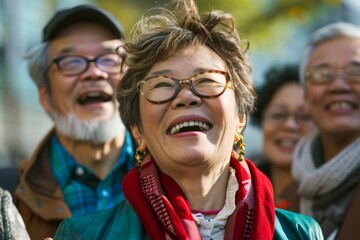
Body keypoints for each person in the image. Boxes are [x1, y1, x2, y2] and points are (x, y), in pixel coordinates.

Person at [53, 0, 323, 239]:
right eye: (161, 85)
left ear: (240, 116)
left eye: (206, 81)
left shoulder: (301, 233)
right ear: (137, 130)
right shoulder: (81, 235)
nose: (186, 97)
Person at [15, 5, 135, 239]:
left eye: (110, 59)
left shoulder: (175, 175)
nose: (94, 72)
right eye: (71, 62)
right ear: (45, 97)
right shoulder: (9, 200)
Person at [283, 22, 360, 239]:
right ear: (306, 98)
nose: (338, 86)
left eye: (355, 72)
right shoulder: (285, 193)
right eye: (322, 74)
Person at [252, 64, 315, 209]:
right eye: (278, 115)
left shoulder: (338, 200)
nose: (290, 125)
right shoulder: (235, 193)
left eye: (304, 117)